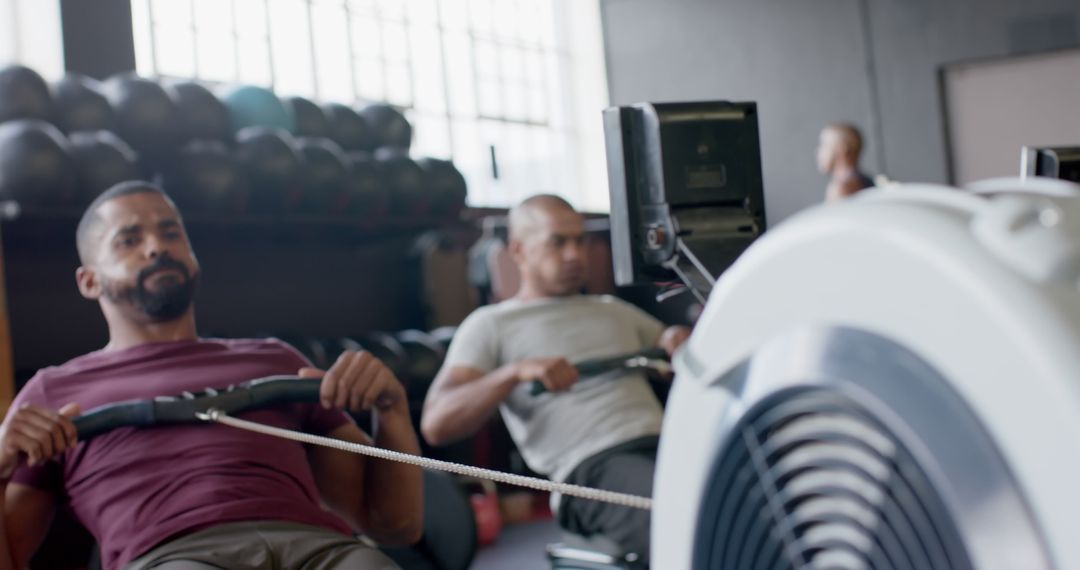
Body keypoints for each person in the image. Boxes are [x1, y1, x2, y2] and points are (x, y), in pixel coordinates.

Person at [0, 182, 422, 570]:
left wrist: (392, 412)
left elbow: (394, 526)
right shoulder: (53, 392)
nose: (156, 248)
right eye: (130, 240)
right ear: (89, 281)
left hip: (316, 548)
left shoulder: (276, 360)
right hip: (174, 556)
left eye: (171, 233)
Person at [421, 194, 690, 562]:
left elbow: (673, 343)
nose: (574, 255)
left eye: (580, 240)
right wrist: (513, 373)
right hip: (592, 470)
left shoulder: (612, 310)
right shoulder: (492, 325)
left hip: (667, 447)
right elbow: (437, 423)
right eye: (557, 242)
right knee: (689, 523)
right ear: (519, 250)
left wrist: (676, 339)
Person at [817, 123, 876, 202]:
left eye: (825, 145)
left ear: (842, 149)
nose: (819, 152)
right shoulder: (868, 181)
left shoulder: (841, 188)